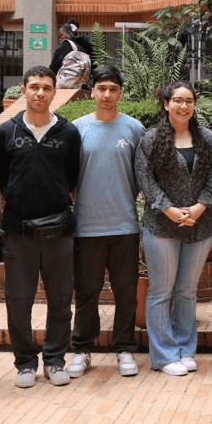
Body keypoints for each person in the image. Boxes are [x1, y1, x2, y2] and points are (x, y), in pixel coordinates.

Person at [0, 65, 81, 388]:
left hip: (59, 230)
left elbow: (72, 177)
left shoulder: (68, 133)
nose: (40, 93)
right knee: (18, 300)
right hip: (19, 231)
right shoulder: (6, 132)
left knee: (61, 299)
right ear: (24, 90)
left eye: (46, 87)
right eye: (34, 87)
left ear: (54, 91)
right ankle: (25, 363)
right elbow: (3, 178)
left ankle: (55, 360)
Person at [64, 66, 145, 379]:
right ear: (92, 92)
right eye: (102, 89)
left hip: (125, 226)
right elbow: (69, 177)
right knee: (87, 292)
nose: (107, 95)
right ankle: (82, 349)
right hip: (87, 227)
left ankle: (124, 348)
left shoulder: (134, 128)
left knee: (126, 293)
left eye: (113, 89)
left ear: (120, 93)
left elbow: (141, 176)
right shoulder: (77, 129)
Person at [135, 81, 212, 376]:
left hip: (200, 225)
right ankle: (164, 355)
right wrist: (169, 209)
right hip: (161, 225)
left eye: (189, 101)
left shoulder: (207, 138)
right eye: (178, 101)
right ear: (166, 104)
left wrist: (199, 207)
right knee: (161, 291)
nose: (184, 106)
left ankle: (185, 349)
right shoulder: (151, 139)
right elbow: (145, 179)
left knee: (186, 291)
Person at [49, 18, 93, 89]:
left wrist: (49, 76)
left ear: (64, 33)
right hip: (82, 85)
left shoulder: (65, 45)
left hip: (66, 84)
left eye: (60, 35)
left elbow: (55, 63)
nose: (60, 38)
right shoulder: (84, 46)